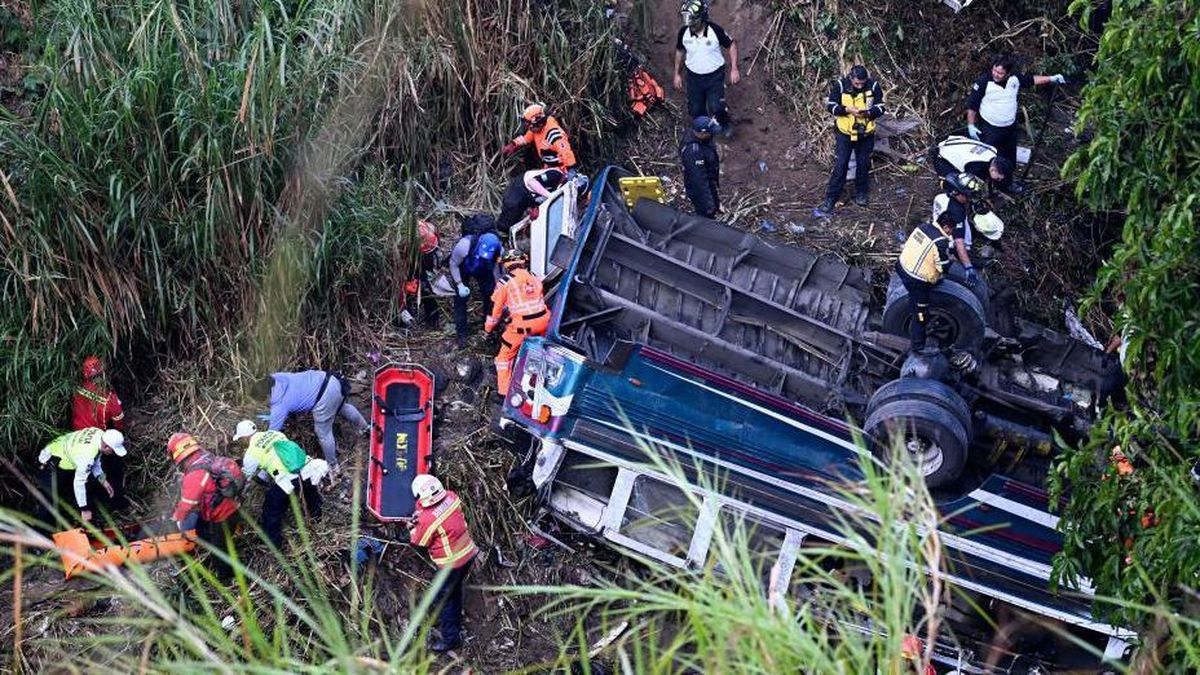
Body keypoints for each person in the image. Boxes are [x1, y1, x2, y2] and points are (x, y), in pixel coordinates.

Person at [895, 173, 983, 353]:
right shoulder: (941, 242)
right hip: (915, 279)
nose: (951, 234)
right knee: (920, 314)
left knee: (937, 279)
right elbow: (944, 267)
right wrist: (966, 271)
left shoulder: (924, 227)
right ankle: (918, 347)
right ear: (948, 227)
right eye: (951, 231)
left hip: (901, 265)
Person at [965, 56, 1065, 192]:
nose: (996, 74)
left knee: (1009, 158)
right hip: (990, 128)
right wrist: (971, 125)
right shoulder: (984, 82)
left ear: (1008, 73)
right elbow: (972, 105)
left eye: (1000, 73)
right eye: (994, 70)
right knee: (988, 158)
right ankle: (983, 188)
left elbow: (1031, 80)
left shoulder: (1015, 79)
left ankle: (1006, 184)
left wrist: (1051, 78)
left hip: (1009, 128)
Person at [402, 474, 478, 653]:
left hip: (452, 564)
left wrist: (411, 528)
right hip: (468, 553)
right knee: (454, 590)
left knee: (444, 598)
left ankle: (451, 638)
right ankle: (453, 617)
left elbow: (419, 541)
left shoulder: (427, 519)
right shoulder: (451, 497)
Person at [233, 420, 327, 549]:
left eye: (241, 439)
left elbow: (246, 478)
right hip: (308, 468)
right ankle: (318, 518)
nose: (242, 442)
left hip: (288, 479)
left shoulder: (251, 454)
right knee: (310, 492)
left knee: (271, 509)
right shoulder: (274, 433)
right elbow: (276, 457)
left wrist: (239, 495)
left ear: (244, 437)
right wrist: (263, 479)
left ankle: (274, 543)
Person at [250, 370, 369, 472]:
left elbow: (272, 434)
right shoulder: (277, 377)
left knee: (323, 433)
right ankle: (367, 428)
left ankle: (333, 467)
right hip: (330, 380)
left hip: (323, 397)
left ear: (267, 397)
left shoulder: (279, 405)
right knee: (343, 407)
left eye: (262, 403)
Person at [167, 433, 242, 581]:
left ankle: (227, 577)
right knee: (204, 530)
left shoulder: (194, 474)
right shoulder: (206, 457)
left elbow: (187, 505)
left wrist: (176, 518)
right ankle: (213, 541)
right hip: (228, 506)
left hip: (222, 514)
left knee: (219, 550)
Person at [818, 65, 885, 213]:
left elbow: (881, 107)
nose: (860, 86)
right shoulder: (840, 85)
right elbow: (831, 106)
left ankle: (861, 193)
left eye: (862, 83)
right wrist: (846, 110)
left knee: (863, 163)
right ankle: (831, 198)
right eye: (856, 83)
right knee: (841, 164)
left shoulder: (873, 86)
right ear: (851, 78)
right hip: (845, 133)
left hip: (866, 134)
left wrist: (868, 112)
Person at [485, 250, 551, 399]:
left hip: (523, 326)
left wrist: (488, 328)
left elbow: (495, 308)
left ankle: (503, 394)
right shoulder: (534, 277)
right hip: (545, 322)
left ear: (506, 264)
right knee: (543, 352)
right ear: (523, 261)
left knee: (503, 358)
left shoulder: (505, 282)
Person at [674, 0, 739, 136]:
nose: (689, 24)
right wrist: (677, 74)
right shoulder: (684, 33)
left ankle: (724, 124)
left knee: (717, 105)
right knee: (696, 108)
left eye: (692, 19)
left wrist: (734, 68)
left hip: (714, 76)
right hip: (693, 77)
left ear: (702, 18)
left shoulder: (715, 30)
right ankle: (704, 129)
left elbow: (731, 45)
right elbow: (679, 51)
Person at [37, 427, 126, 526]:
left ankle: (75, 519)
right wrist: (84, 509)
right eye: (113, 451)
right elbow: (79, 483)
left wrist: (103, 480)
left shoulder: (100, 434)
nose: (112, 453)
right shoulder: (87, 456)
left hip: (64, 452)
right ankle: (43, 531)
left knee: (77, 492)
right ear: (106, 446)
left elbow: (95, 461)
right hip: (51, 460)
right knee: (48, 500)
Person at [71, 355, 127, 509]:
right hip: (97, 438)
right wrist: (119, 433)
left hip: (76, 437)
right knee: (112, 467)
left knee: (83, 475)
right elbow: (118, 420)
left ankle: (85, 506)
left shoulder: (76, 386)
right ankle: (115, 502)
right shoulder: (109, 397)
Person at [449, 217, 503, 349]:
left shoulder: (499, 249)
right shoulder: (464, 246)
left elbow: (497, 267)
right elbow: (453, 264)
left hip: (484, 268)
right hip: (465, 266)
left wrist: (498, 285)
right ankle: (461, 333)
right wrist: (459, 284)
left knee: (490, 296)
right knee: (460, 300)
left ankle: (487, 327)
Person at [501, 104, 577, 171]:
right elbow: (527, 138)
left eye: (529, 125)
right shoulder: (535, 129)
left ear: (538, 123)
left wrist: (571, 171)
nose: (528, 128)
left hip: (561, 170)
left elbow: (566, 153)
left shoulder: (554, 134)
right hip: (548, 167)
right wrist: (513, 144)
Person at [931, 171, 992, 253]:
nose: (969, 199)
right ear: (958, 192)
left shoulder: (939, 197)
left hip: (937, 233)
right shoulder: (957, 212)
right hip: (952, 247)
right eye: (968, 196)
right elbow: (959, 242)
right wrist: (968, 264)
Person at [934, 136, 1014, 197]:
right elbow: (969, 185)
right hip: (942, 156)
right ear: (993, 169)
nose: (999, 180)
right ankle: (946, 186)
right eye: (998, 178)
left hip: (956, 142)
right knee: (958, 185)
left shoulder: (994, 151)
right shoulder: (977, 168)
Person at [496, 168, 567, 234]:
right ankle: (502, 233)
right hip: (520, 189)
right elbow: (531, 182)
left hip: (529, 194)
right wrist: (549, 195)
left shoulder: (561, 184)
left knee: (518, 216)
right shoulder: (555, 175)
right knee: (509, 218)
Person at [399, 220, 442, 329]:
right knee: (405, 289)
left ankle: (433, 320)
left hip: (421, 260)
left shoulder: (430, 233)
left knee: (425, 289)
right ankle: (405, 318)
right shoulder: (404, 244)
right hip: (407, 261)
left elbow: (434, 257)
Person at [680, 116, 721, 218]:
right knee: (706, 213)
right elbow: (699, 181)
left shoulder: (700, 138)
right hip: (700, 191)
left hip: (709, 180)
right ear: (701, 134)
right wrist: (708, 204)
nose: (712, 134)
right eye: (709, 132)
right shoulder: (694, 152)